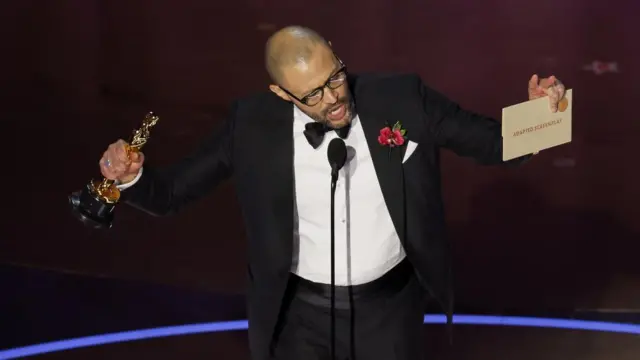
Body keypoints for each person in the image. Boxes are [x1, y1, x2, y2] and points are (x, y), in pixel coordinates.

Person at [99, 26, 566, 360]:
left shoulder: (401, 99)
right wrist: (129, 178)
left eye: (336, 78)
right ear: (282, 94)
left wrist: (544, 115)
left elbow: (493, 143)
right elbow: (174, 192)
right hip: (299, 319)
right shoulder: (252, 126)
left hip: (389, 313)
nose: (334, 98)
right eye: (314, 95)